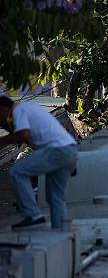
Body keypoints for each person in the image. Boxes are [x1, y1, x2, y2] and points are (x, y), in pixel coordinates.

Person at [0, 96, 77, 230]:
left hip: (57, 151)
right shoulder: (29, 109)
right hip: (69, 151)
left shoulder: (19, 110)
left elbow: (23, 135)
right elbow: (33, 139)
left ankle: (33, 215)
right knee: (55, 197)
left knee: (17, 172)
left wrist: (1, 141)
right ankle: (61, 231)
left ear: (3, 109)